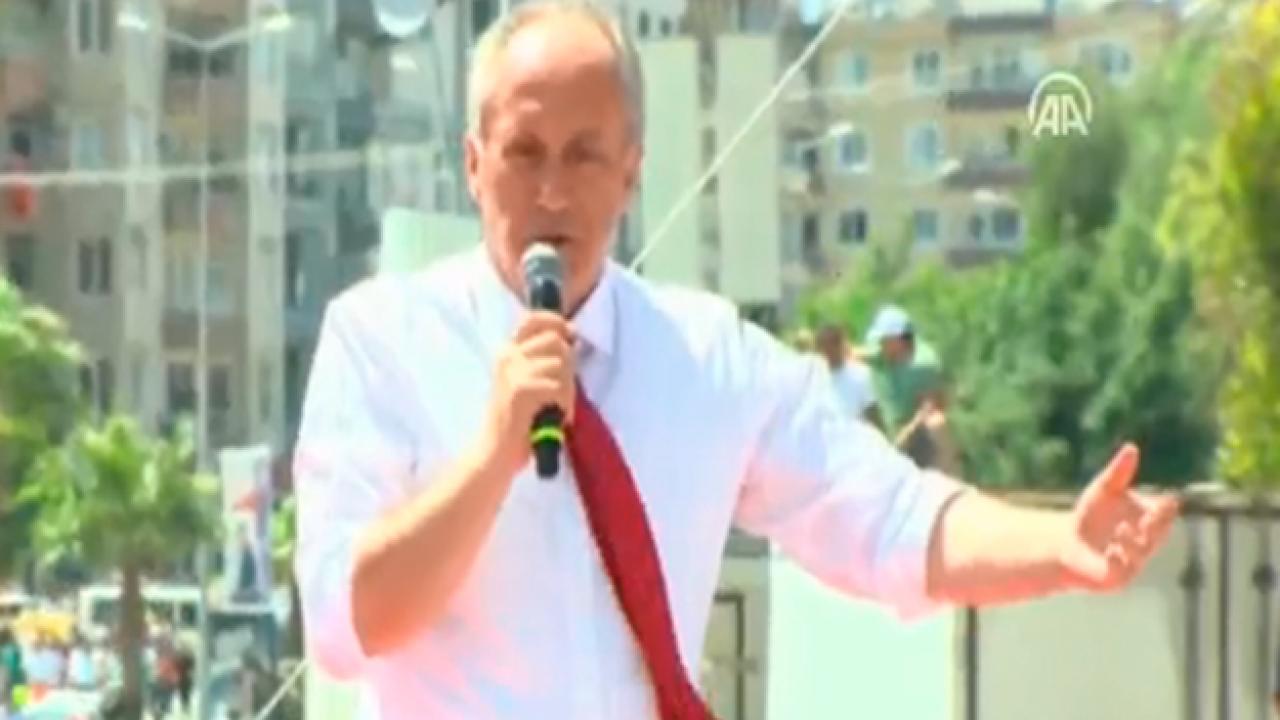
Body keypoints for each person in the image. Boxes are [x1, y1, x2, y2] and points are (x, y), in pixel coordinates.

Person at [293, 3, 1180, 718]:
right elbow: (342, 625)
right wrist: (492, 455)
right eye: (524, 154)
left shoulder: (705, 356)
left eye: (584, 155)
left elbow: (888, 517)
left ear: (631, 171)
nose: (552, 190)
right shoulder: (382, 343)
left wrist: (1057, 544)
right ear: (473, 164)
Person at [861, 304, 960, 474]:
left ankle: (948, 477)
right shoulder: (882, 353)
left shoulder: (922, 365)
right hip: (888, 424)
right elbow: (856, 354)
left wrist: (900, 440)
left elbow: (927, 408)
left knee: (936, 424)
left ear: (899, 340)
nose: (881, 344)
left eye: (885, 340)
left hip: (917, 429)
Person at [815, 322, 877, 423]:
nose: (829, 351)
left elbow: (872, 411)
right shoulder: (813, 378)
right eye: (824, 347)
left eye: (834, 344)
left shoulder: (862, 374)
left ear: (841, 345)